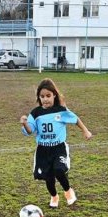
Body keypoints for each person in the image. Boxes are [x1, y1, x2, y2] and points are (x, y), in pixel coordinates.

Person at [20, 79, 92, 209]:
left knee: (59, 170)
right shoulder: (35, 113)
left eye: (48, 96)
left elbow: (75, 119)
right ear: (39, 98)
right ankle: (54, 196)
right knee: (48, 178)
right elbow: (30, 131)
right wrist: (25, 123)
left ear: (54, 95)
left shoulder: (60, 110)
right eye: (42, 96)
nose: (45, 99)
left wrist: (85, 131)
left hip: (58, 148)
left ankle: (68, 191)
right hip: (43, 150)